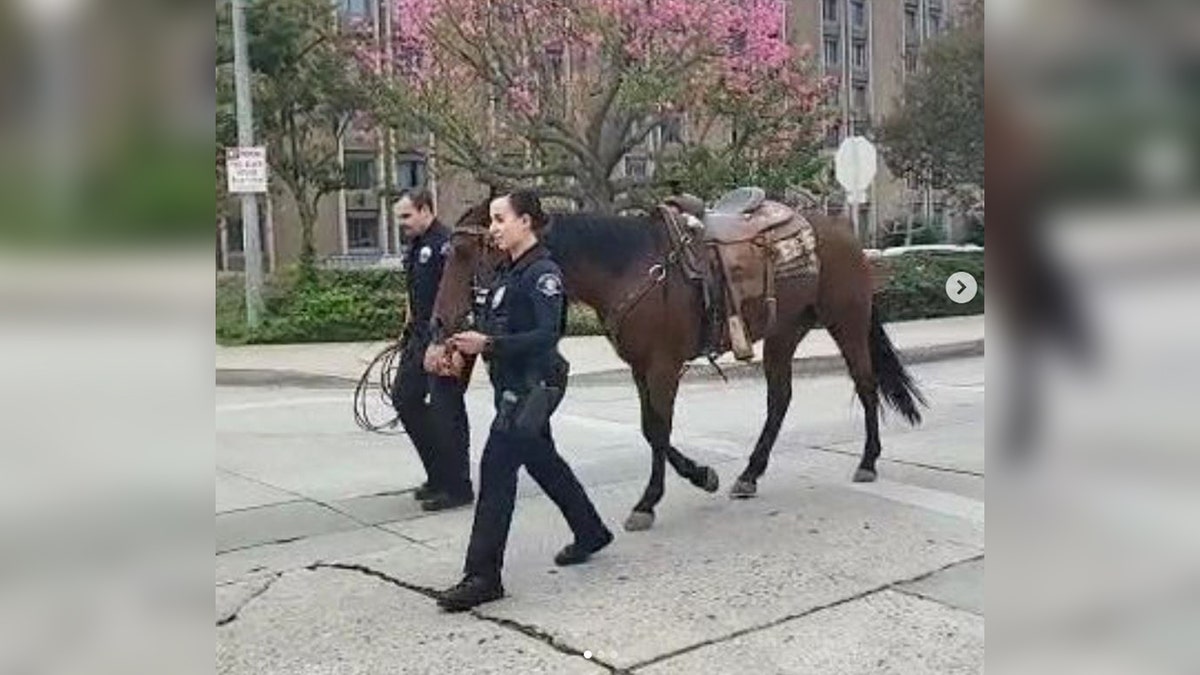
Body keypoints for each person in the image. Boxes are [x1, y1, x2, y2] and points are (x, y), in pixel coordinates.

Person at [434, 189, 613, 612]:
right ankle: (590, 530)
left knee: (496, 470)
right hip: (512, 386)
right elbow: (498, 323)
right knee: (542, 459)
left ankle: (483, 576)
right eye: (492, 221)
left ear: (526, 222)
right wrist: (464, 343)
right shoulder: (508, 272)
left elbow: (548, 336)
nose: (493, 229)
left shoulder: (543, 272)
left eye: (500, 220)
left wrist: (490, 344)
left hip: (533, 387)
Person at [392, 188, 473, 512]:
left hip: (444, 337)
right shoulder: (416, 245)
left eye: (407, 216)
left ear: (426, 210)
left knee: (446, 411)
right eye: (400, 217)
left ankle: (458, 485)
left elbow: (458, 297)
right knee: (405, 398)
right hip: (418, 337)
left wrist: (448, 344)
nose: (402, 223)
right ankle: (438, 474)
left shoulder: (446, 245)